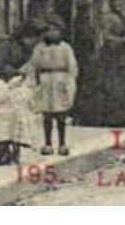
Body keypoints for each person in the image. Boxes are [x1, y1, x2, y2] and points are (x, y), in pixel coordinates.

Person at [26, 23, 78, 156]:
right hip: (45, 81)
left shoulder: (66, 48)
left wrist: (70, 83)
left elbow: (72, 66)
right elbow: (34, 65)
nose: (52, 33)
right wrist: (35, 83)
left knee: (61, 115)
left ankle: (62, 144)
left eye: (56, 30)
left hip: (60, 80)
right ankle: (47, 144)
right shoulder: (39, 48)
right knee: (47, 114)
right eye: (49, 31)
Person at [86, 0, 125, 126]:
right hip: (112, 54)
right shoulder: (109, 18)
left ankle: (124, 118)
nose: (119, 4)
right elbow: (106, 36)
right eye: (116, 1)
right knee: (113, 86)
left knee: (124, 85)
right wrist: (124, 39)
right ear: (111, 3)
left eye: (121, 1)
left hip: (124, 54)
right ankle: (112, 119)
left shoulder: (124, 17)